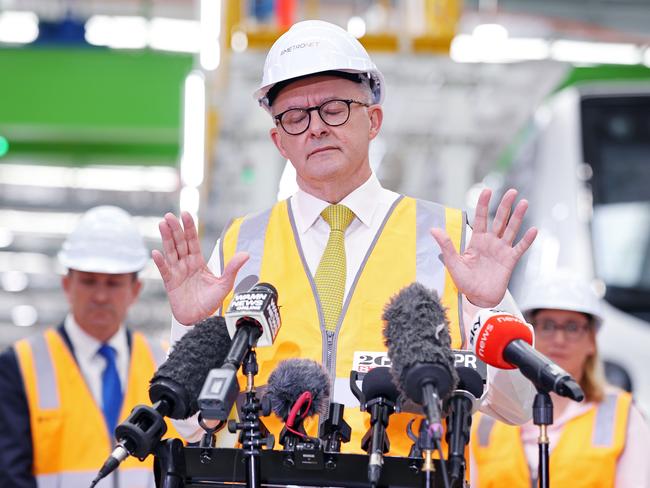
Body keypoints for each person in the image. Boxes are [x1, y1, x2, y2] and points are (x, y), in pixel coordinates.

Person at [154, 20, 539, 456]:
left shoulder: (451, 240)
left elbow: (521, 405)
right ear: (279, 141)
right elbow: (188, 426)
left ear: (372, 119)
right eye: (295, 116)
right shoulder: (240, 246)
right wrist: (188, 325)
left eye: (333, 108)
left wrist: (488, 309)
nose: (315, 128)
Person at [0, 206, 177, 488]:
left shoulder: (165, 364)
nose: (100, 295)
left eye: (113, 283)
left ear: (135, 289)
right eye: (89, 280)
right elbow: (10, 475)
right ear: (66, 284)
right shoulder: (19, 366)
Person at [471, 271, 650, 487]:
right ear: (530, 333)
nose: (559, 339)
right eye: (547, 325)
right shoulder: (487, 414)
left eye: (572, 327)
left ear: (592, 340)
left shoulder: (624, 415)